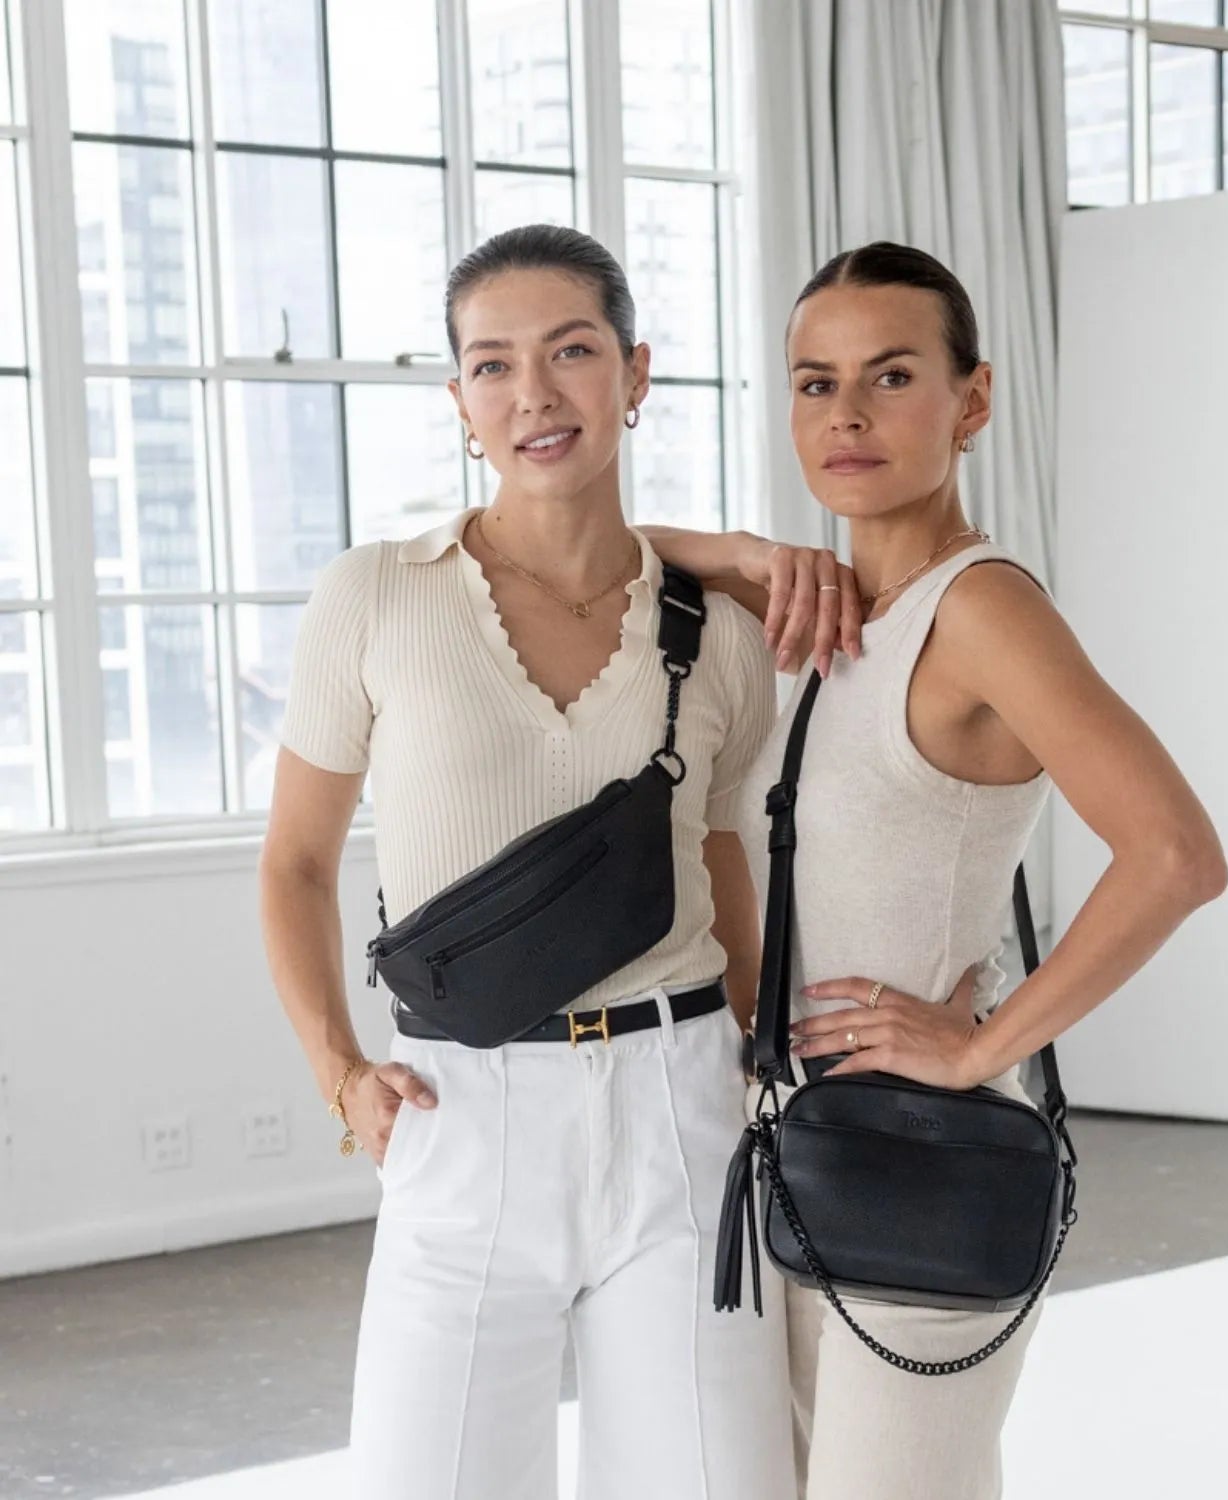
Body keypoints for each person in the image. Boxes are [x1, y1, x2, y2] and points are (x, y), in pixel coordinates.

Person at [258, 225, 838, 1500]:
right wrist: (339, 1074)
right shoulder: (377, 598)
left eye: (572, 352)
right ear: (461, 400)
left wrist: (760, 1059)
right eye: (493, 364)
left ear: (635, 374)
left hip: (682, 1104)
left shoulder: (721, 633)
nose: (535, 393)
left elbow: (722, 858)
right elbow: (295, 864)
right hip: (465, 1114)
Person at [647, 241, 1228, 1499]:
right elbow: (601, 551)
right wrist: (749, 550)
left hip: (919, 1160)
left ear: (971, 401)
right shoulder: (813, 609)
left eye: (891, 376)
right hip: (784, 1149)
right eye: (814, 383)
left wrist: (979, 1047)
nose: (846, 414)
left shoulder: (979, 609)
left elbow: (1178, 855)